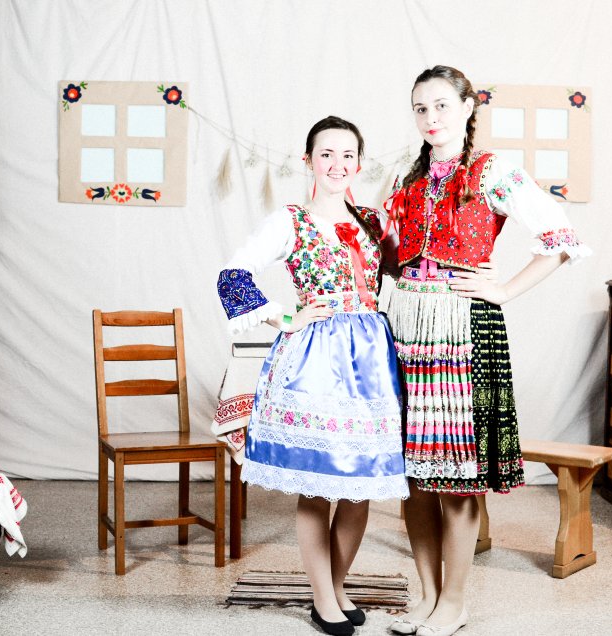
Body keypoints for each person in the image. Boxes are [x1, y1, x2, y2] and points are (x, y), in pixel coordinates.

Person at [384, 66, 591, 636]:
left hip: (463, 327)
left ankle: (454, 602)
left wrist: (502, 289)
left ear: (468, 106)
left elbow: (560, 240)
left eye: (441, 105)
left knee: (457, 477)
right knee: (413, 476)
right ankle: (427, 596)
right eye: (421, 108)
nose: (431, 118)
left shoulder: (492, 171)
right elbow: (389, 255)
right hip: (407, 326)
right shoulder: (406, 177)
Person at [216, 116, 409, 636]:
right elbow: (233, 274)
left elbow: (407, 270)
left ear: (359, 164)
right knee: (319, 485)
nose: (337, 165)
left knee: (360, 486)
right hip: (317, 360)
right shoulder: (291, 221)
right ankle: (323, 599)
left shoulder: (374, 221)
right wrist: (285, 316)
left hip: (371, 361)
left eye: (347, 155)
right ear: (308, 161)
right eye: (326, 154)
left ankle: (337, 588)